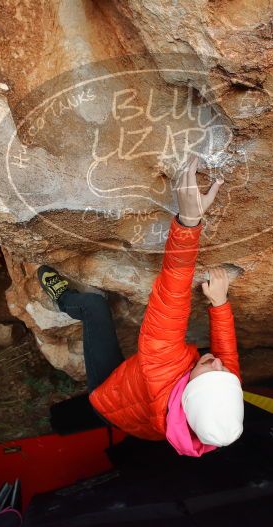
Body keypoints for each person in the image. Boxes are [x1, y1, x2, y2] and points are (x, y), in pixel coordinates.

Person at [38, 154, 243, 457]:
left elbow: (171, 296)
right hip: (144, 419)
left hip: (108, 398)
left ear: (188, 393)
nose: (216, 362)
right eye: (224, 373)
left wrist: (189, 223)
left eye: (211, 372)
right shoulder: (216, 404)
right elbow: (226, 356)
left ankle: (65, 299)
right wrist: (220, 305)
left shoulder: (162, 365)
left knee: (94, 306)